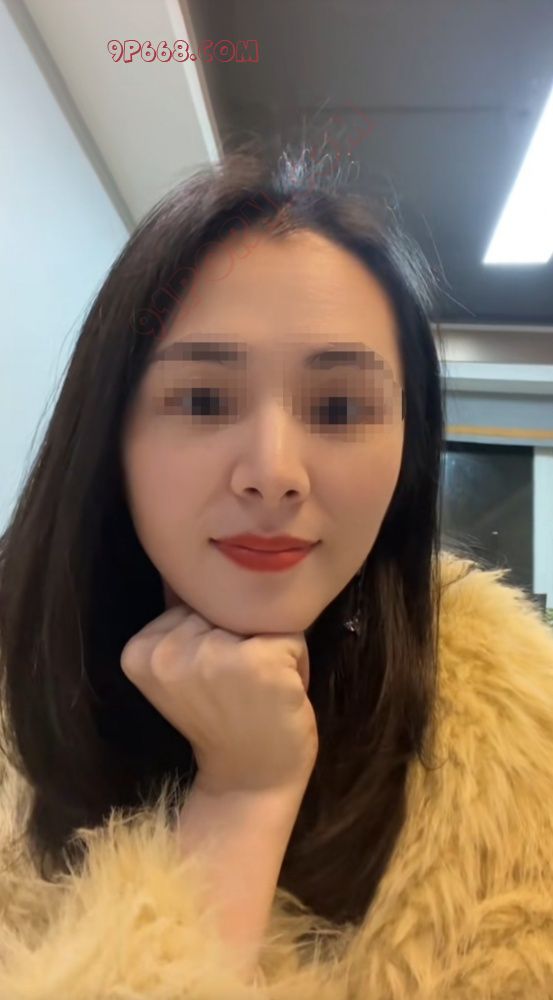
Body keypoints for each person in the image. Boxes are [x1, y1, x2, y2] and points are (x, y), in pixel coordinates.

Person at [0, 148, 552, 999]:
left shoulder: (524, 754)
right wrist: (242, 799)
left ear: (407, 455)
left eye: (338, 408)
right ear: (109, 437)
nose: (272, 472)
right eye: (203, 400)